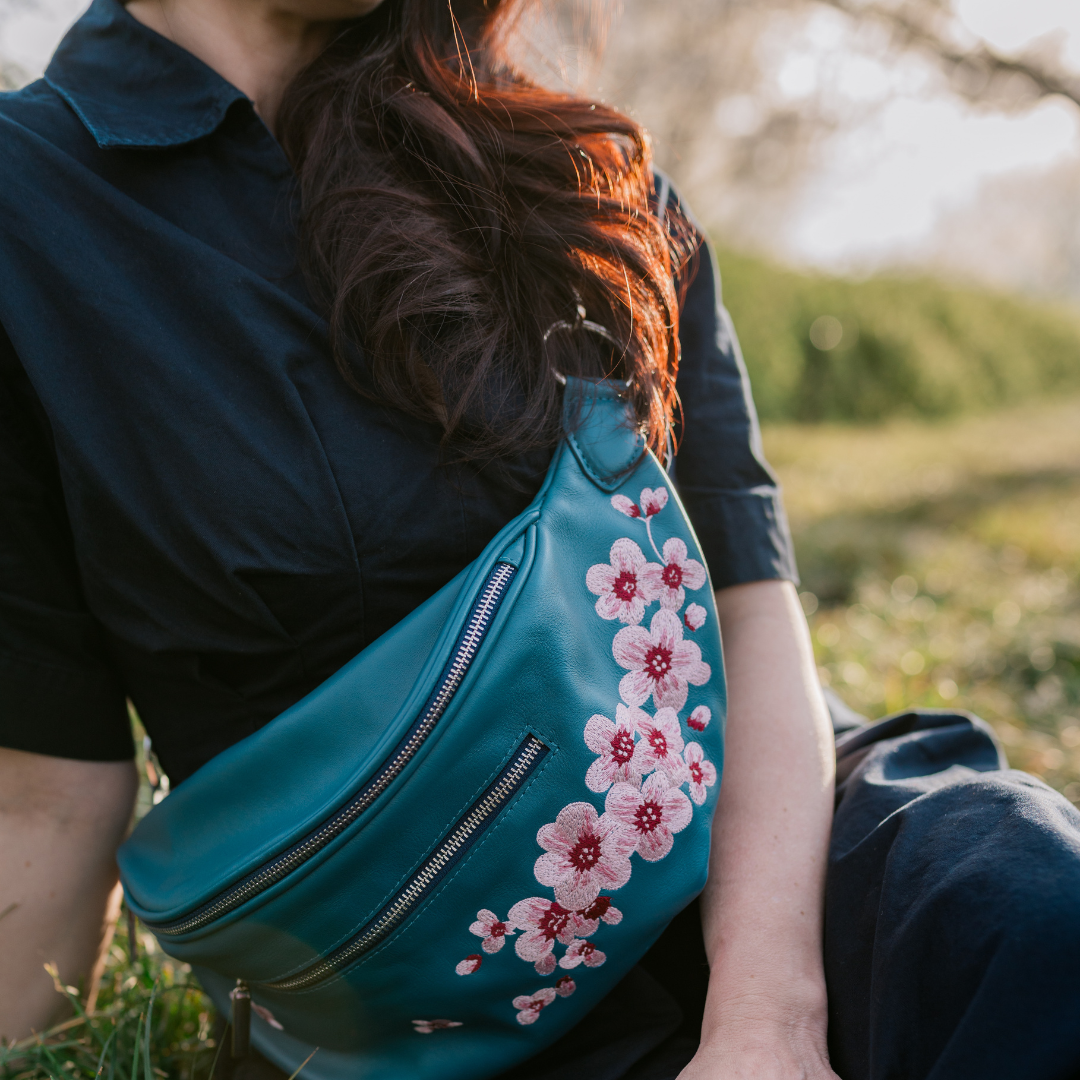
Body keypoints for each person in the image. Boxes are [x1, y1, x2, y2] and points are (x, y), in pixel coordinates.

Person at [1, 3, 1078, 1079]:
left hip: (768, 842)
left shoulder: (567, 162)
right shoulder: (29, 212)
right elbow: (47, 792)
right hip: (430, 996)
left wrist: (767, 1018)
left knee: (1029, 910)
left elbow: (747, 601)